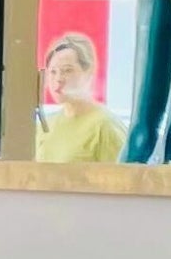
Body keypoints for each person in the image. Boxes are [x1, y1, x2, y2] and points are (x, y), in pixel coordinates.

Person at [35, 31, 129, 164]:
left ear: (89, 72)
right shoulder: (45, 126)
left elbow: (123, 180)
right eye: (53, 72)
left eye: (67, 70)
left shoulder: (105, 126)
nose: (58, 79)